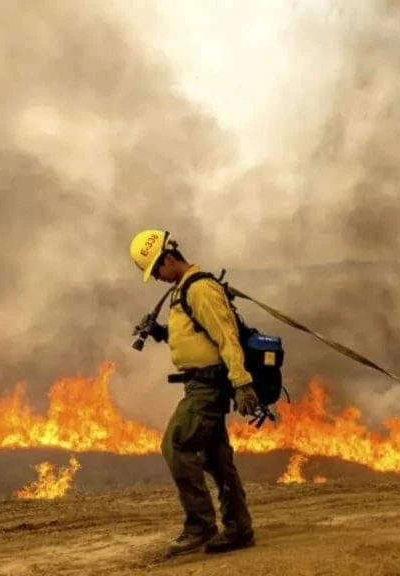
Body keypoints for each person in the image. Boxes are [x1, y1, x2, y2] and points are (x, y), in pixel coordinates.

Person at [129, 228, 260, 556]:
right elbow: (194, 336)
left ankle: (200, 526)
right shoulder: (183, 289)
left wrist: (243, 383)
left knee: (176, 444)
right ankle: (239, 529)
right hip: (201, 381)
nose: (156, 277)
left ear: (170, 258)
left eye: (157, 269)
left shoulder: (199, 288)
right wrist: (160, 332)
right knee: (217, 459)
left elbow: (226, 336)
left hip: (207, 385)